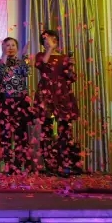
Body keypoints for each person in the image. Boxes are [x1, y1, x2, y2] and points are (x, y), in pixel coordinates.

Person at [34, 29, 79, 175]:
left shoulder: (64, 57)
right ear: (42, 42)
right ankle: (49, 165)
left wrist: (71, 66)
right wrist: (49, 50)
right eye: (46, 39)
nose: (49, 41)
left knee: (64, 130)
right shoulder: (40, 55)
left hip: (62, 96)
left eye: (52, 38)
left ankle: (65, 165)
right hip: (46, 94)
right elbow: (42, 66)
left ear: (57, 40)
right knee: (46, 130)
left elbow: (72, 78)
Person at [0, 37, 31, 174]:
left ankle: (19, 165)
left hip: (20, 102)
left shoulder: (21, 62)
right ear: (2, 47)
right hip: (4, 102)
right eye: (7, 45)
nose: (11, 48)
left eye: (13, 45)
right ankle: (7, 164)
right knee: (5, 135)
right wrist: (4, 55)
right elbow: (0, 73)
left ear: (17, 48)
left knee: (21, 135)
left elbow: (27, 73)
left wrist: (24, 57)